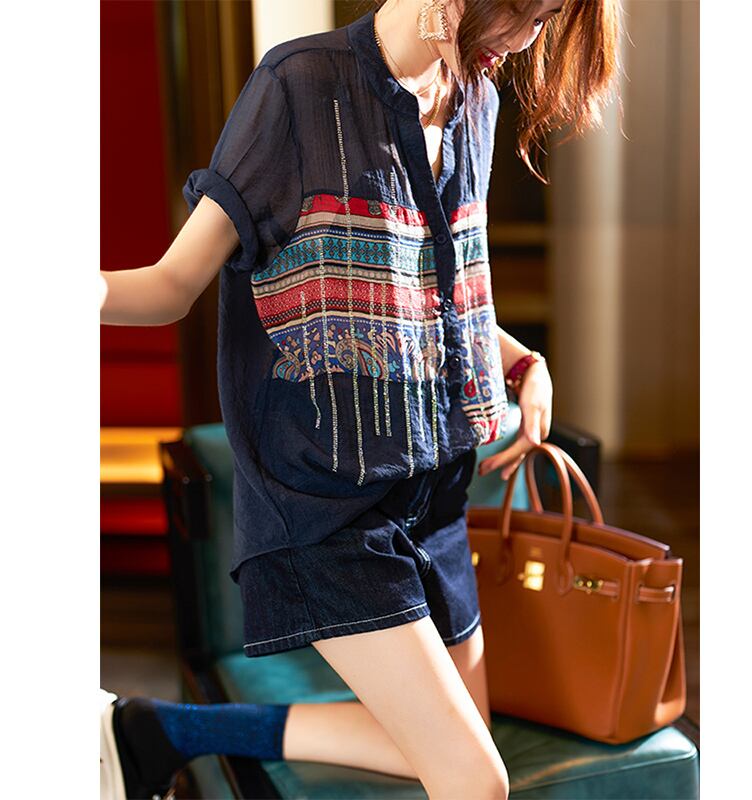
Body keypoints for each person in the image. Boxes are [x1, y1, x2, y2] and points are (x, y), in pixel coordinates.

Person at [99, 1, 620, 798]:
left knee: (436, 748)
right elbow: (172, 286)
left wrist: (525, 361)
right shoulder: (298, 88)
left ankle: (161, 731)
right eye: (522, 9)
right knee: (477, 781)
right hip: (327, 506)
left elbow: (436, 299)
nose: (525, 40)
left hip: (436, 497)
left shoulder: (475, 99)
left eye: (545, 19)